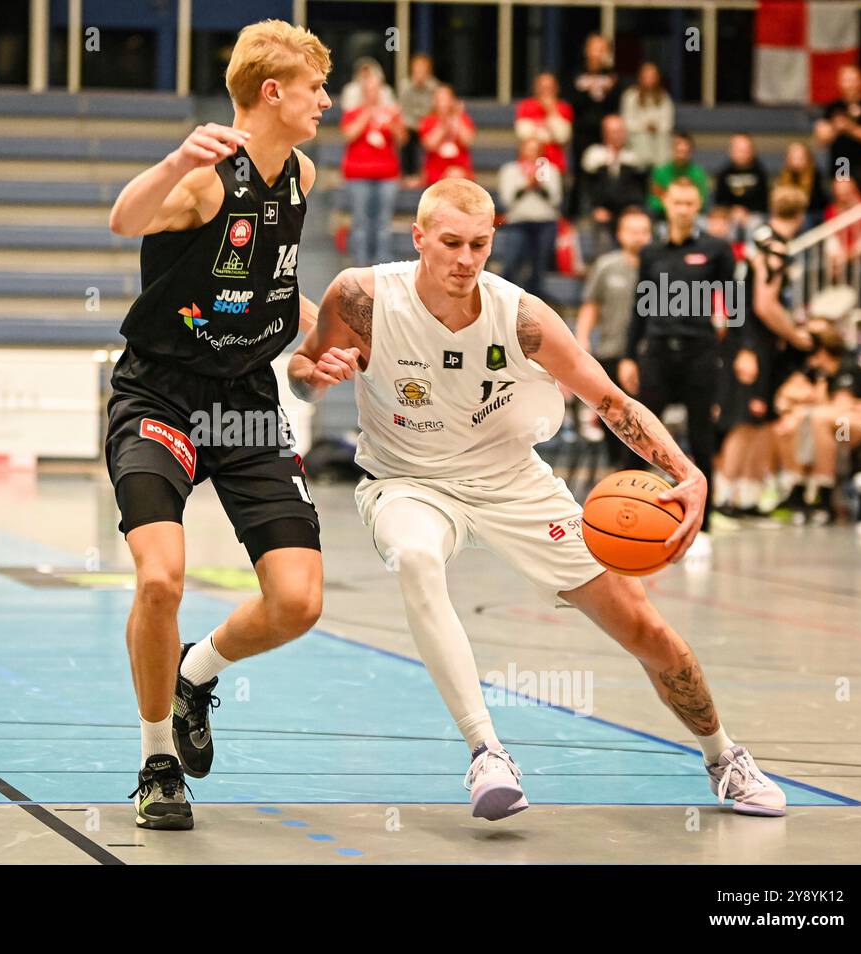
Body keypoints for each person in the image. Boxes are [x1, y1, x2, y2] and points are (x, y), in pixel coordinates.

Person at [287, 177, 787, 821]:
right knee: (416, 557)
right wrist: (315, 375)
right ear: (418, 239)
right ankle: (486, 751)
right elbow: (303, 370)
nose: (465, 259)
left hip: (511, 481)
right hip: (406, 480)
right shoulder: (360, 296)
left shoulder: (520, 317)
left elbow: (609, 400)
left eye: (479, 244)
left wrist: (685, 468)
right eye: (450, 243)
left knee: (644, 628)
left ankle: (724, 757)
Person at [105, 19, 331, 830]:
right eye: (315, 88)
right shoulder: (205, 178)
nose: (325, 102)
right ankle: (157, 758)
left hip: (246, 402)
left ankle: (196, 674)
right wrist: (173, 159)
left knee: (300, 602)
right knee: (160, 577)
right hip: (160, 397)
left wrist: (312, 341)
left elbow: (272, 279)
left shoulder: (300, 174)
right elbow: (124, 222)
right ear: (273, 92)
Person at [618, 178, 738, 551]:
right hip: (656, 352)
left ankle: (702, 524)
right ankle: (626, 516)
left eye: (690, 203)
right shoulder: (651, 251)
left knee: (701, 438)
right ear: (666, 204)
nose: (683, 209)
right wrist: (627, 355)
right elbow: (640, 306)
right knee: (639, 435)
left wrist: (737, 352)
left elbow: (733, 307)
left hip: (699, 352)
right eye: (677, 202)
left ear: (698, 205)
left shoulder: (717, 249)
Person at [714, 186, 813, 518]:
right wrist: (796, 336)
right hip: (752, 343)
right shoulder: (776, 249)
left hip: (750, 341)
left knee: (759, 423)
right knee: (743, 422)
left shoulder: (759, 238)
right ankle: (722, 497)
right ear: (800, 216)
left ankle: (746, 497)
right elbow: (765, 305)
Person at [776, 328, 861, 524]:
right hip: (840, 425)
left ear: (821, 352)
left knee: (821, 419)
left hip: (858, 429)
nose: (808, 360)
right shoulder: (820, 373)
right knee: (794, 422)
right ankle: (799, 487)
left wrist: (809, 402)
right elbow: (783, 398)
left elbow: (841, 407)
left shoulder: (850, 366)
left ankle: (824, 492)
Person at [575, 207, 653, 469]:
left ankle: (640, 476)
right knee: (613, 419)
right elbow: (591, 306)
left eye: (644, 232)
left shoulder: (659, 267)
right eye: (633, 231)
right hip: (610, 351)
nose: (638, 237)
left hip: (648, 357)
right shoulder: (606, 266)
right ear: (620, 234)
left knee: (644, 422)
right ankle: (615, 476)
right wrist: (583, 338)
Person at [341, 64, 406, 266]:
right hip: (358, 175)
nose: (372, 94)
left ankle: (382, 264)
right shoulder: (354, 112)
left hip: (386, 175)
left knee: (383, 223)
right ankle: (360, 264)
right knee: (360, 222)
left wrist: (391, 121)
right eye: (368, 91)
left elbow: (402, 139)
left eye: (375, 90)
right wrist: (367, 113)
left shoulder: (391, 113)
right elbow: (349, 134)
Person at [497, 136, 561, 302]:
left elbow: (555, 199)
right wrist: (526, 185)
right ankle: (505, 299)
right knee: (510, 263)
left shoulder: (550, 170)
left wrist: (540, 186)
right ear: (521, 150)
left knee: (539, 268)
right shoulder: (510, 170)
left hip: (545, 223)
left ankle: (534, 303)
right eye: (528, 148)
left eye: (536, 149)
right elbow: (507, 199)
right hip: (518, 223)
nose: (532, 153)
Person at [579, 114, 647, 258]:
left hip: (628, 211)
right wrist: (595, 207)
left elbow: (640, 188)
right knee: (604, 248)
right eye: (613, 131)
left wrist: (634, 207)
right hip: (602, 211)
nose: (618, 135)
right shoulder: (594, 155)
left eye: (620, 131)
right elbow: (587, 187)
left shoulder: (633, 156)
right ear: (605, 133)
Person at [568, 34, 622, 217]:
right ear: (587, 50)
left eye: (601, 49)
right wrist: (589, 90)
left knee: (605, 174)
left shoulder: (613, 76)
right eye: (594, 48)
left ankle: (605, 211)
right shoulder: (576, 73)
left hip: (604, 135)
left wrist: (607, 90)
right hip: (581, 134)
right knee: (579, 176)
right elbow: (571, 103)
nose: (597, 53)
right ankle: (575, 214)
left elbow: (616, 107)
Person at [814, 64, 861, 188]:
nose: (850, 85)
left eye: (853, 80)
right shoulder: (833, 107)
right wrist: (835, 127)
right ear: (839, 83)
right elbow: (822, 137)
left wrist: (849, 128)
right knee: (842, 192)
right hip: (841, 162)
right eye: (846, 80)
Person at [712, 134, 770, 240]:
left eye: (745, 149)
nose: (742, 153)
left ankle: (751, 255)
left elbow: (765, 201)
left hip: (754, 215)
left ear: (752, 151)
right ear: (731, 151)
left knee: (754, 225)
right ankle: (728, 255)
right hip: (729, 215)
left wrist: (746, 214)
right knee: (722, 226)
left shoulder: (760, 173)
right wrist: (732, 211)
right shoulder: (724, 173)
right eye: (738, 149)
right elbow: (719, 201)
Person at [514, 72, 573, 175]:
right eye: (542, 87)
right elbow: (523, 134)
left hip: (554, 164)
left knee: (548, 189)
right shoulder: (526, 106)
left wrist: (551, 112)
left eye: (549, 88)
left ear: (556, 88)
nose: (546, 92)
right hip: (528, 163)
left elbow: (562, 136)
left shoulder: (563, 108)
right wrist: (549, 135)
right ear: (536, 88)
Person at [620, 62, 674, 170]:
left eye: (652, 76)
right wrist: (644, 127)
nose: (649, 79)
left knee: (664, 140)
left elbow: (668, 123)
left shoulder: (665, 97)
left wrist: (655, 127)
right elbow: (626, 122)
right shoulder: (630, 96)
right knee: (642, 138)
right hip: (635, 138)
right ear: (640, 77)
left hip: (658, 139)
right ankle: (643, 171)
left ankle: (660, 173)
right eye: (646, 76)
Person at [397, 52, 440, 187]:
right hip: (410, 126)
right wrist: (415, 125)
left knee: (428, 136)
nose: (420, 74)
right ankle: (407, 175)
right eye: (417, 71)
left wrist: (424, 125)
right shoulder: (405, 87)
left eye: (423, 71)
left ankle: (424, 174)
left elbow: (436, 111)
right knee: (405, 136)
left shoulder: (435, 88)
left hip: (429, 125)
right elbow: (402, 110)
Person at [419, 84, 476, 185]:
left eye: (446, 99)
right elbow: (429, 145)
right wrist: (443, 126)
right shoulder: (428, 121)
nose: (443, 103)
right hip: (436, 175)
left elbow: (468, 141)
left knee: (456, 175)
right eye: (440, 100)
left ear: (452, 101)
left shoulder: (462, 119)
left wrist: (457, 119)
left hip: (461, 174)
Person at [648, 131, 709, 217]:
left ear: (691, 150)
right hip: (664, 217)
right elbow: (653, 201)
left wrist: (684, 208)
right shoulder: (660, 172)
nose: (681, 149)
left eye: (685, 147)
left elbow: (702, 200)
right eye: (678, 146)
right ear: (672, 148)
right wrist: (673, 208)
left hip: (691, 217)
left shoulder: (698, 173)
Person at [773, 140, 830, 229]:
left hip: (812, 214)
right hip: (791, 213)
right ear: (788, 159)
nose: (797, 161)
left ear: (807, 158)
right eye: (794, 157)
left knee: (805, 220)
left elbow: (811, 204)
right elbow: (779, 201)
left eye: (800, 157)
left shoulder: (815, 175)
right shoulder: (783, 176)